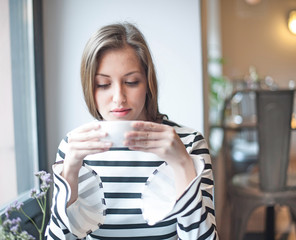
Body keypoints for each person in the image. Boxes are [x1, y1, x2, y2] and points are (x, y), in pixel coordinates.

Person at [45, 22, 218, 240]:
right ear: (90, 87)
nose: (119, 97)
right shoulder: (74, 147)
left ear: (148, 82)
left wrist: (182, 164)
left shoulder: (190, 142)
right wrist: (69, 171)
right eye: (103, 84)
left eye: (131, 81)